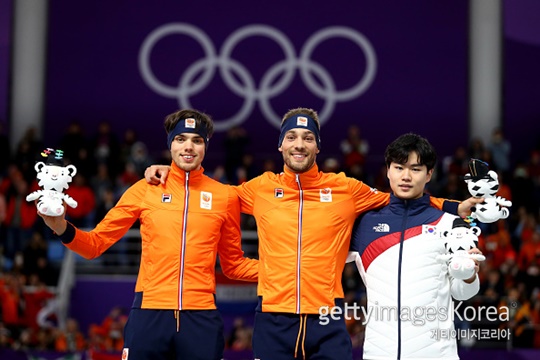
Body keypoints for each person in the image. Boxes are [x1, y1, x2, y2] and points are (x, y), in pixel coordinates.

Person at [145, 108, 484, 359]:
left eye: (308, 138)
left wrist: (453, 207)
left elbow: (402, 198)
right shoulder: (259, 188)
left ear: (317, 147)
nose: (299, 144)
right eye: (291, 137)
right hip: (274, 319)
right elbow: (214, 194)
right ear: (280, 146)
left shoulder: (346, 189)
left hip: (327, 317)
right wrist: (173, 174)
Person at [36, 109, 258, 360]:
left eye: (197, 140)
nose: (188, 147)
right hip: (149, 313)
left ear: (205, 146)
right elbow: (94, 245)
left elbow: (234, 265)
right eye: (180, 139)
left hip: (201, 318)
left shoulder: (224, 196)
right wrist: (60, 226)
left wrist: (288, 269)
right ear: (170, 144)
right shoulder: (145, 189)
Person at [348, 133, 482, 359]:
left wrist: (469, 275)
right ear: (388, 170)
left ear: (429, 174)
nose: (406, 176)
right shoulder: (364, 224)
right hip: (379, 353)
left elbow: (463, 292)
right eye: (399, 168)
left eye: (416, 169)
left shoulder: (451, 224)